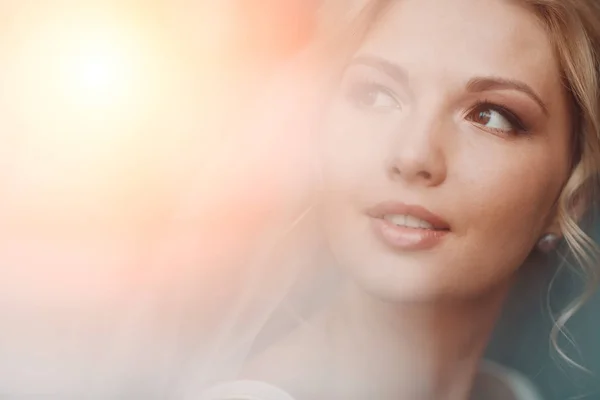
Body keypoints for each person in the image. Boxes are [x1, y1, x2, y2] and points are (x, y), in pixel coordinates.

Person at [195, 0, 600, 399]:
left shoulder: (511, 394)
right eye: (376, 95)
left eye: (490, 115)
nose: (413, 155)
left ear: (572, 194)